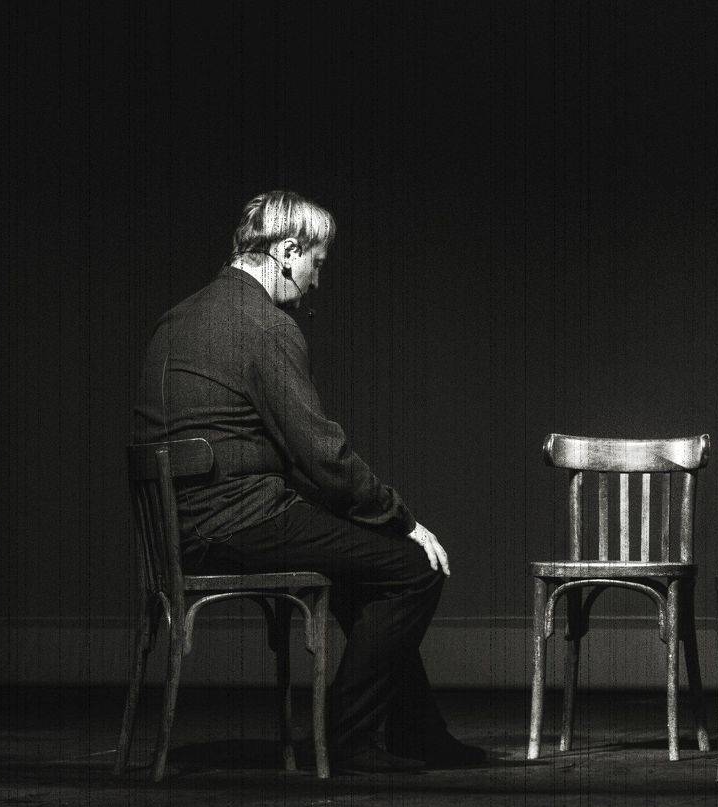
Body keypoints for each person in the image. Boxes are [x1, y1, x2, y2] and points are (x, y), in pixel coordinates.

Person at [132, 189, 484, 773]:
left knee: (362, 568)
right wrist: (403, 519)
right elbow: (323, 454)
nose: (317, 281)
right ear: (289, 251)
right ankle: (347, 738)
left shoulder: (179, 317)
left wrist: (358, 512)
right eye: (317, 264)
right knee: (412, 568)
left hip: (182, 528)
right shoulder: (262, 324)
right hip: (237, 522)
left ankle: (417, 732)